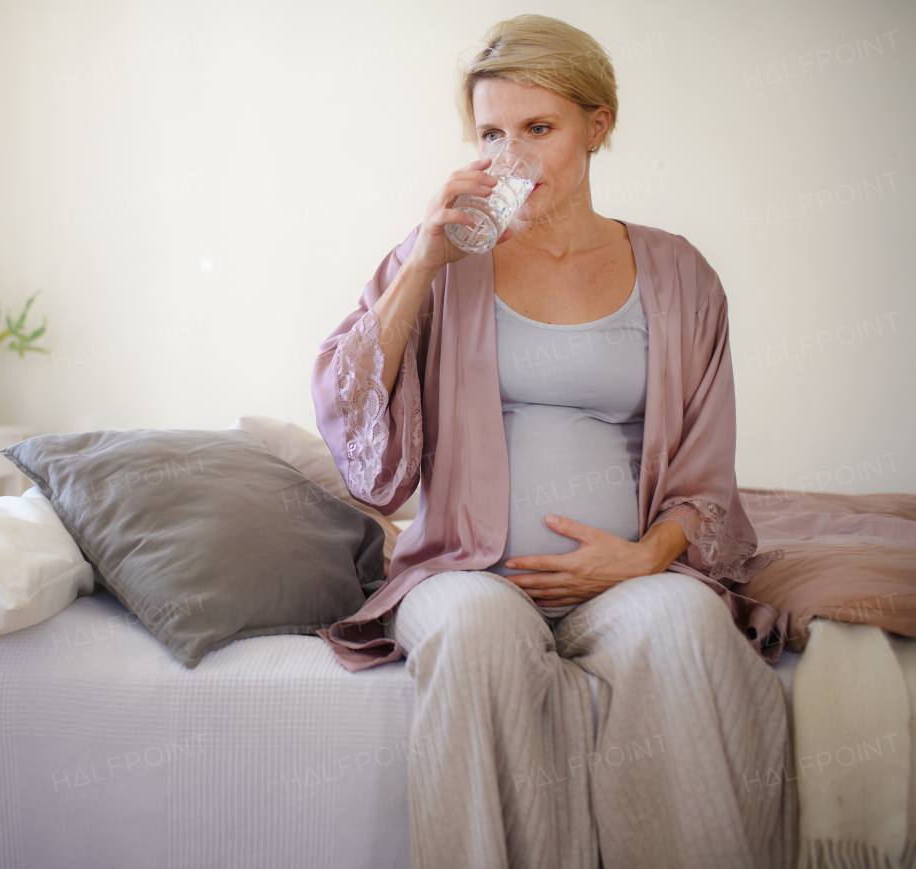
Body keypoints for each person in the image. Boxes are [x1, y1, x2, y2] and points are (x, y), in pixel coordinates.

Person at [310, 14, 795, 869]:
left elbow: (709, 479)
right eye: (493, 134)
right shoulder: (442, 260)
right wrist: (422, 261)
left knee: (687, 627)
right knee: (473, 637)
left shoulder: (681, 274)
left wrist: (647, 558)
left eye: (539, 129)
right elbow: (353, 427)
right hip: (469, 571)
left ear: (597, 126)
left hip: (626, 578)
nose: (514, 157)